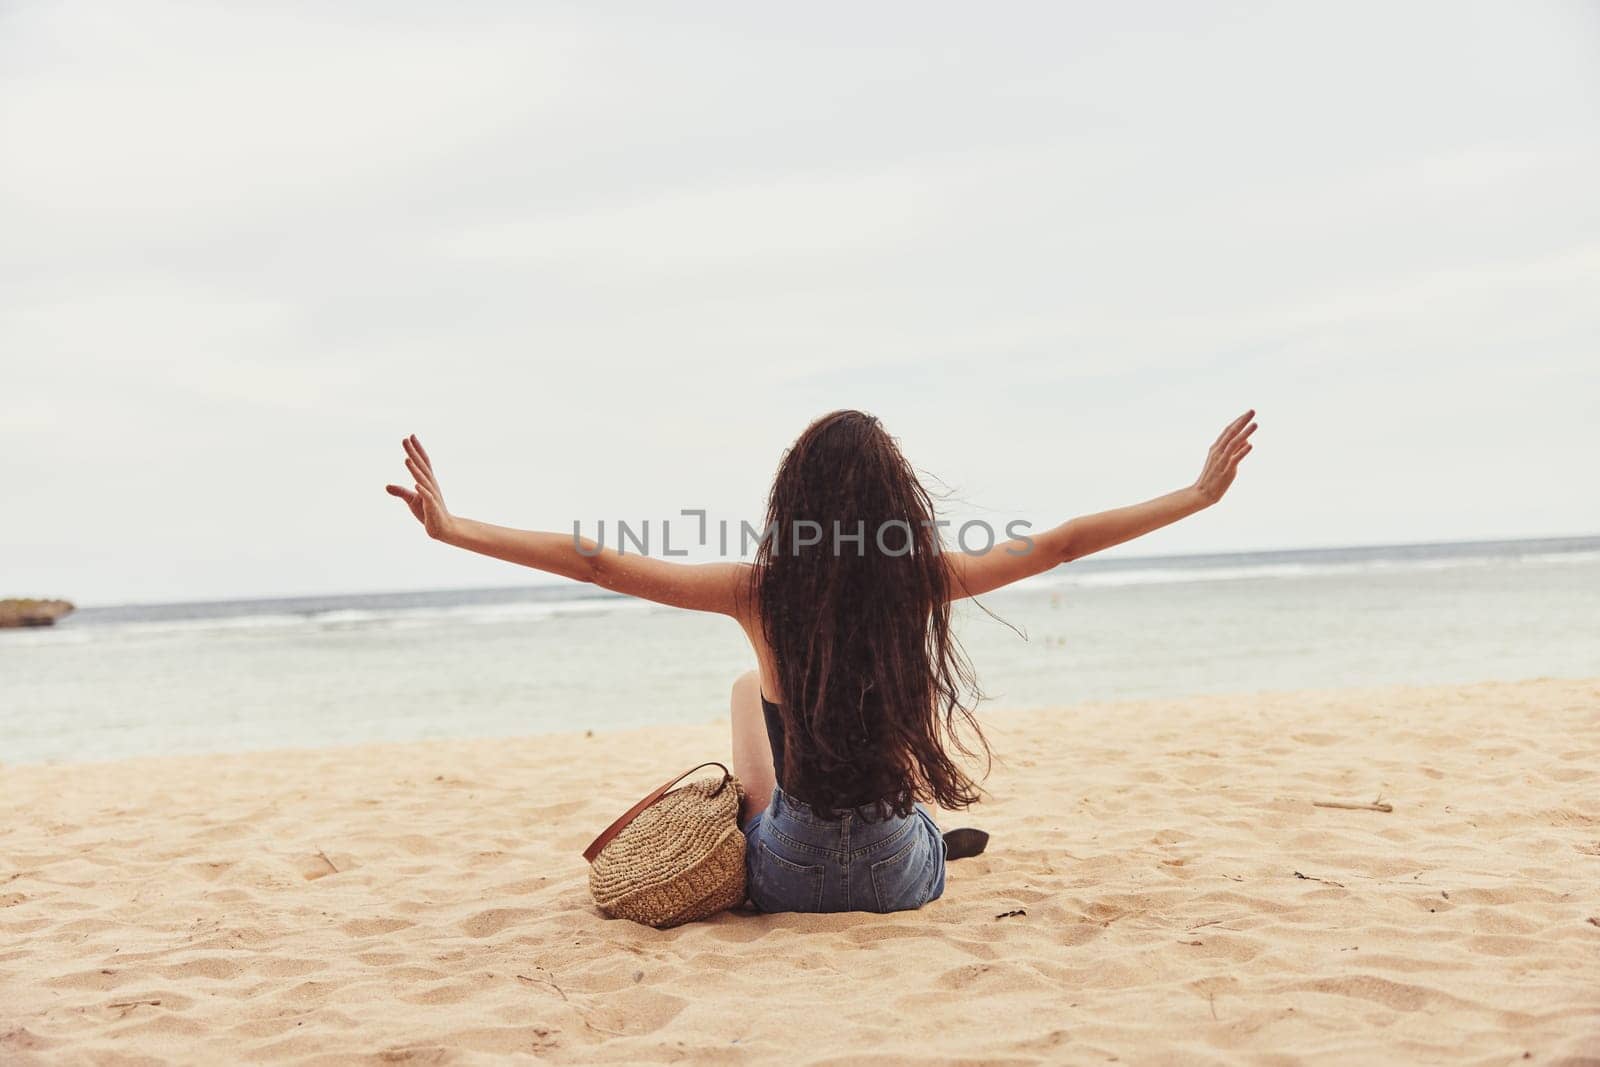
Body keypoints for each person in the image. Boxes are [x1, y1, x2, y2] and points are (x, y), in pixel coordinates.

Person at [385, 408, 1257, 914]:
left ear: (791, 502)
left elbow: (597, 561)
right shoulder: (919, 581)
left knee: (744, 694)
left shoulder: (757, 591)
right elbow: (1063, 543)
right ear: (896, 504)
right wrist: (1197, 494)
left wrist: (456, 527)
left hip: (787, 872)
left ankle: (869, 831)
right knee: (898, 798)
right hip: (897, 874)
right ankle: (928, 844)